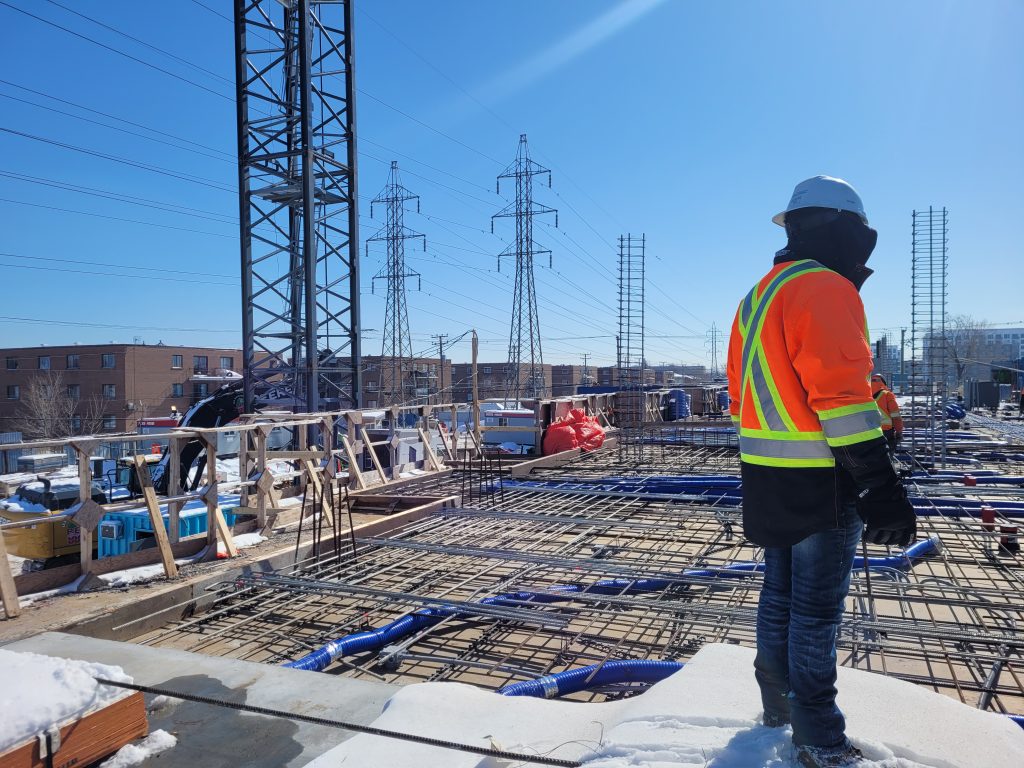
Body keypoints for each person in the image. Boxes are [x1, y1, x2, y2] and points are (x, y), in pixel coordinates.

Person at [726, 175, 917, 768]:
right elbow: (838, 402)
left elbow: (757, 391)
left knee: (779, 598)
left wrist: (867, 389)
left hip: (767, 477)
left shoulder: (760, 293)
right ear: (842, 228)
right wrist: (881, 487)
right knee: (815, 613)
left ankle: (778, 711)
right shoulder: (826, 287)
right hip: (822, 483)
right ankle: (819, 738)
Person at [871, 374, 903, 452]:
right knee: (887, 459)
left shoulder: (864, 396)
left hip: (868, 432)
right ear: (883, 383)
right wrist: (899, 431)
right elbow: (895, 416)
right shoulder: (887, 395)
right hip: (885, 432)